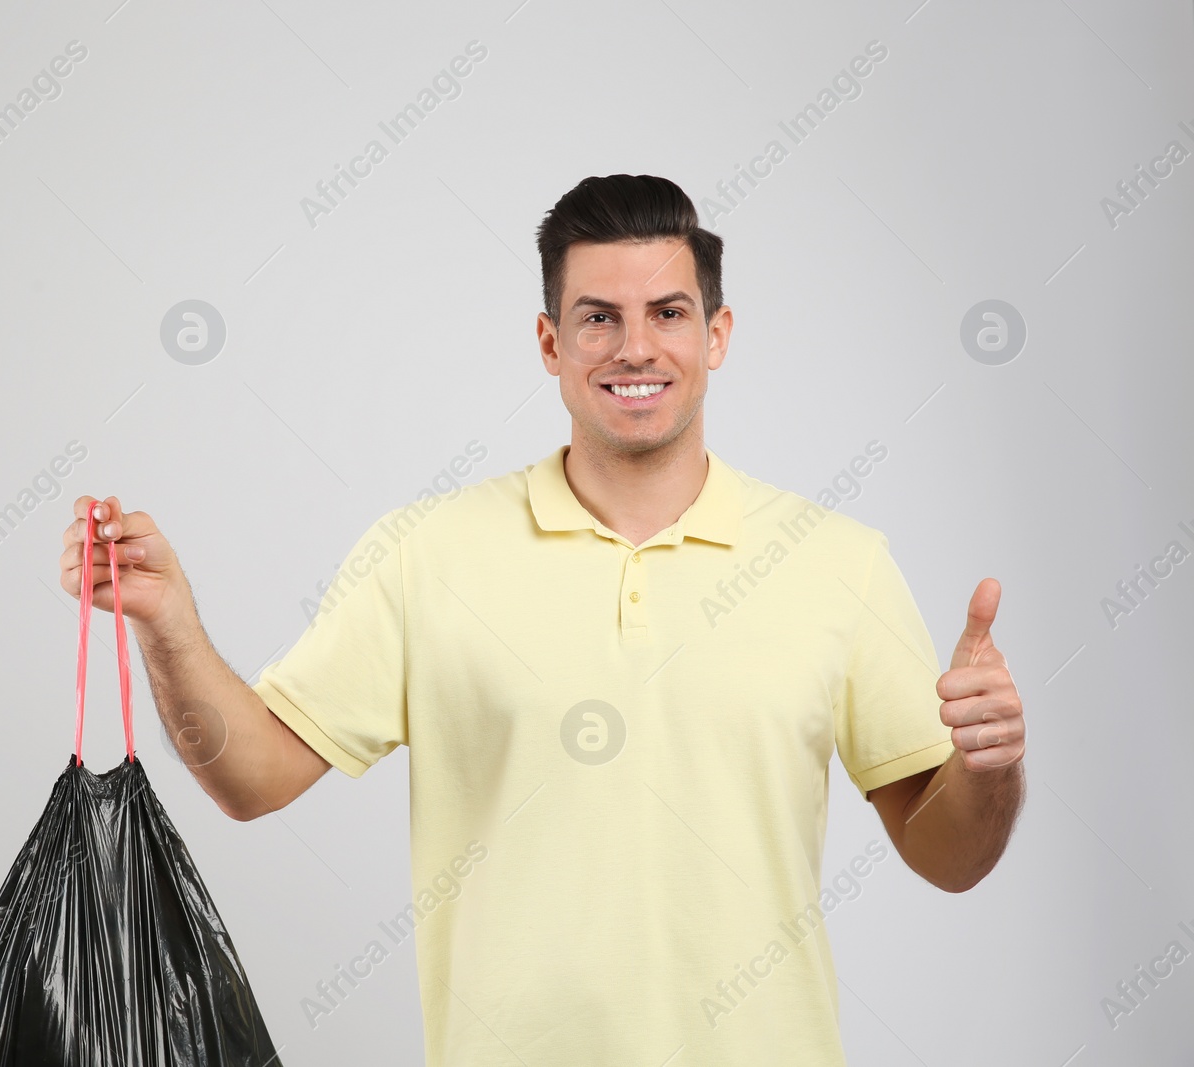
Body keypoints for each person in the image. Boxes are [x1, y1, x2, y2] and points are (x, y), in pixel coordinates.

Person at [59, 174, 1027, 1065]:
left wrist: (990, 766)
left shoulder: (835, 562)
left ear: (718, 334)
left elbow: (948, 857)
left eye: (668, 313)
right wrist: (167, 622)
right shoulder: (426, 552)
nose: (635, 347)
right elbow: (252, 776)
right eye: (597, 317)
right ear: (550, 342)